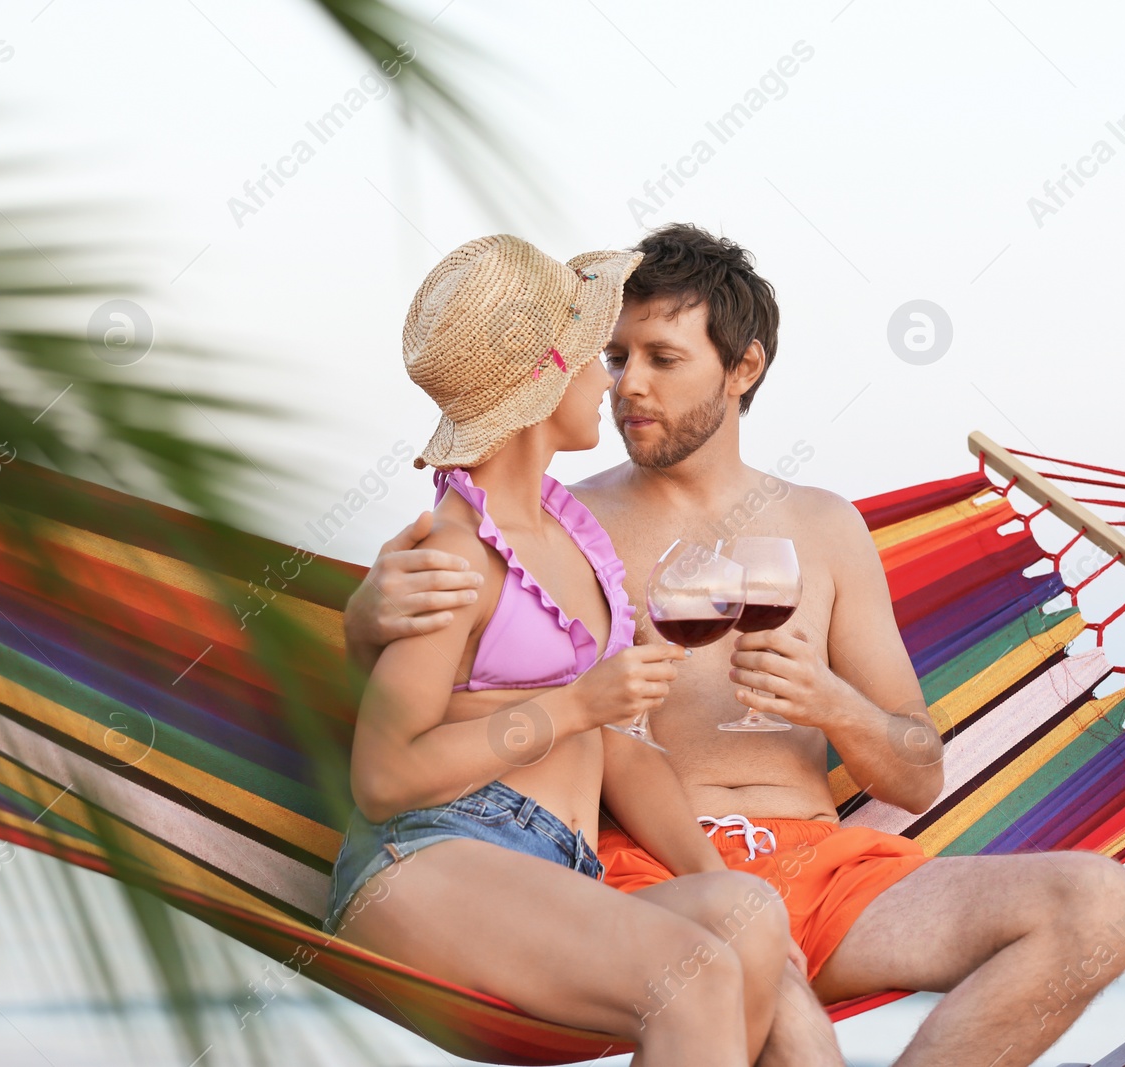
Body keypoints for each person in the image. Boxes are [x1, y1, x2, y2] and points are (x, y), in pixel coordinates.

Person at [344, 224, 1125, 1067]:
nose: (627, 386)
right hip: (651, 869)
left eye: (663, 357)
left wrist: (830, 701)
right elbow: (446, 675)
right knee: (787, 1025)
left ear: (744, 368)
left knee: (1100, 904)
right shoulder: (562, 531)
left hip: (825, 864)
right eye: (615, 358)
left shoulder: (826, 528)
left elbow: (918, 774)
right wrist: (365, 618)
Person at [326, 233, 799, 1067]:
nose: (612, 381)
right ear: (547, 375)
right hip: (431, 856)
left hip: (552, 865)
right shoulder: (454, 553)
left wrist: (716, 873)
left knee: (751, 920)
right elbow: (383, 776)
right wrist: (575, 704)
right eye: (598, 356)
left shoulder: (575, 542)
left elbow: (618, 746)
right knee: (689, 979)